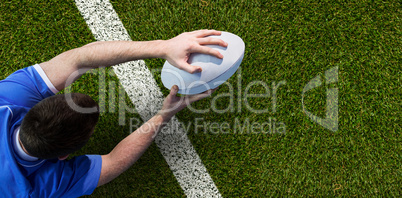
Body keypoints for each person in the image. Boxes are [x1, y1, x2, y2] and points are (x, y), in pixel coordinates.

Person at [0, 29, 228, 197]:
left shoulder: (7, 98)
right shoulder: (42, 188)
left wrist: (164, 47)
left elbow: (78, 59)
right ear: (63, 157)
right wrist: (164, 115)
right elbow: (112, 163)